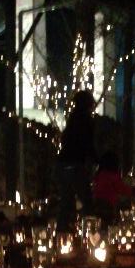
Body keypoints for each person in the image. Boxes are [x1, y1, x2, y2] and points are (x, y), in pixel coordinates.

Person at [57, 90, 96, 230]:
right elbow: (88, 144)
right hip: (76, 164)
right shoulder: (86, 120)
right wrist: (96, 161)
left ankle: (62, 232)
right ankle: (89, 232)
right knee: (86, 200)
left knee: (66, 201)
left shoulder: (72, 119)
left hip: (64, 163)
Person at [92, 151, 134, 223]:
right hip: (109, 207)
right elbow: (122, 189)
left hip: (97, 205)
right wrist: (133, 191)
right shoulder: (113, 176)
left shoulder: (99, 175)